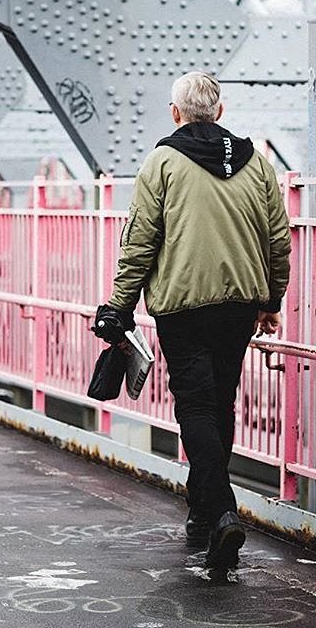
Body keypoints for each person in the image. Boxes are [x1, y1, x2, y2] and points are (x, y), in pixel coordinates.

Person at [93, 70, 291, 570]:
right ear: (220, 112)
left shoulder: (162, 161)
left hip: (182, 307)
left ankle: (221, 512)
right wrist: (271, 299)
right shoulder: (257, 164)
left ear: (175, 113)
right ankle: (202, 513)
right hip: (239, 306)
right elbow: (278, 239)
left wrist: (119, 305)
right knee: (221, 402)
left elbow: (140, 241)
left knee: (195, 407)